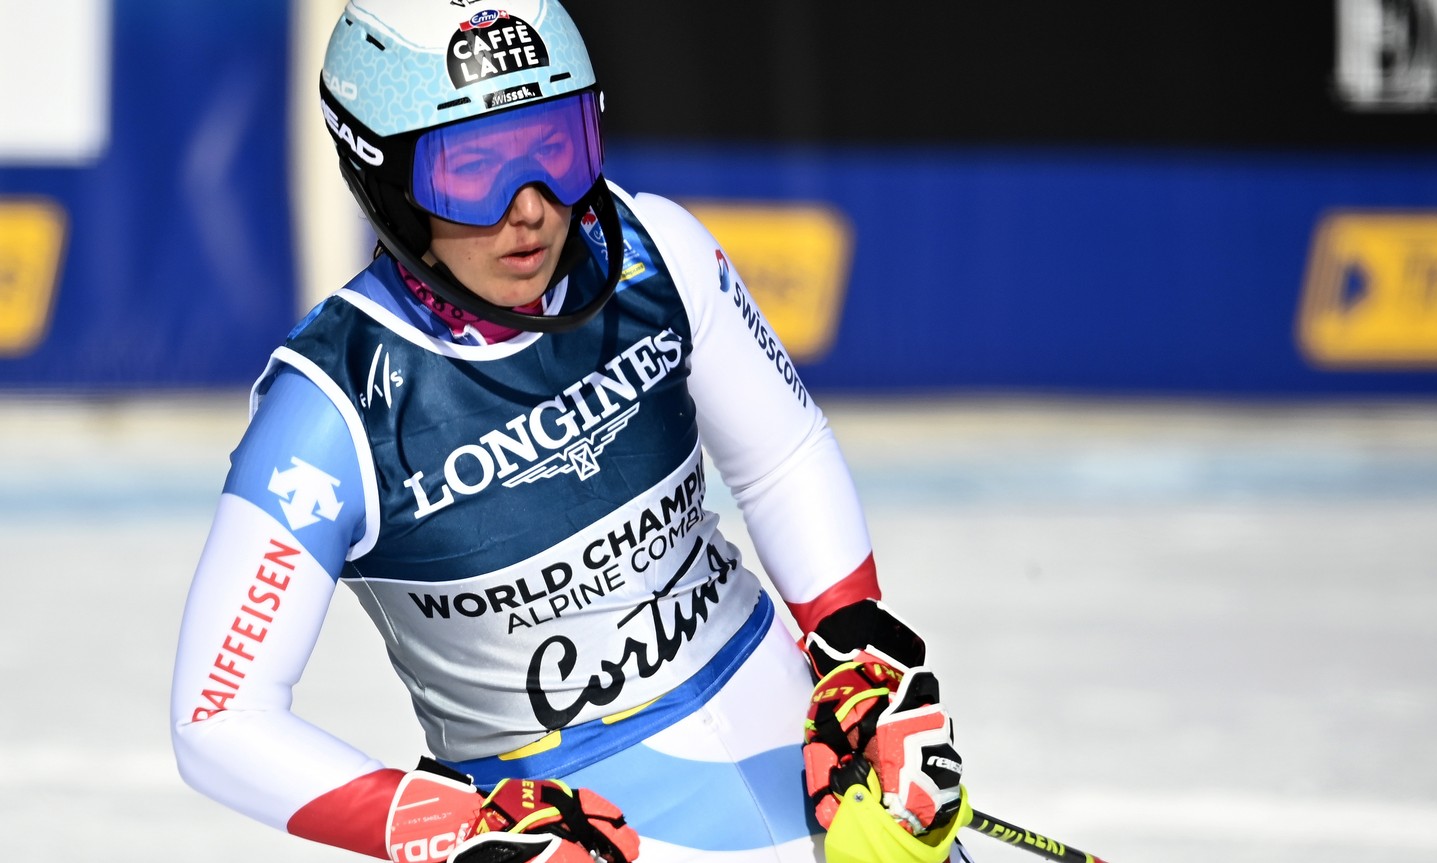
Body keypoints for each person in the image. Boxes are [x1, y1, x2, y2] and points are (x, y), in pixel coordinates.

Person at [170, 3, 969, 861]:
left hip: (799, 742)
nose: (534, 209)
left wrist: (858, 654)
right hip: (574, 829)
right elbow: (218, 716)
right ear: (388, 178)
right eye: (473, 168)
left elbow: (783, 458)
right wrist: (461, 831)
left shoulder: (653, 248)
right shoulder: (330, 409)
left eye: (556, 147)